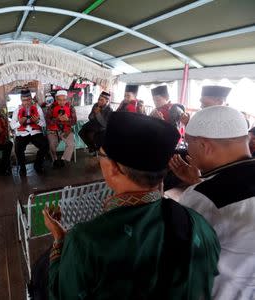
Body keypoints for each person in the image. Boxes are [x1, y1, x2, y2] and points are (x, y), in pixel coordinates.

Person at [35, 112, 220, 300]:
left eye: (101, 155)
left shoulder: (85, 241)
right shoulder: (198, 225)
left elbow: (61, 293)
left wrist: (59, 240)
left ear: (114, 168)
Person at [169, 106, 255, 300]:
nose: (186, 148)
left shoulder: (204, 196)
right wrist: (199, 182)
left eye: (188, 142)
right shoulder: (207, 191)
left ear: (205, 146)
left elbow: (178, 253)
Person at [11, 89, 49, 176]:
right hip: (22, 133)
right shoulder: (17, 110)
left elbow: (44, 124)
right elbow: (12, 126)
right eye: (24, 100)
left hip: (35, 132)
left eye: (28, 100)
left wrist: (38, 121)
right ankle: (22, 168)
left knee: (45, 145)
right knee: (18, 148)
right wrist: (19, 122)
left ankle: (37, 164)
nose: (27, 102)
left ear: (31, 99)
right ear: (21, 100)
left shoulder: (37, 108)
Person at [45, 90, 77, 168]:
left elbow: (74, 122)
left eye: (64, 100)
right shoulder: (51, 107)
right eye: (59, 100)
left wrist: (67, 120)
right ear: (56, 99)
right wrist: (57, 119)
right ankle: (55, 160)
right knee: (52, 144)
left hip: (66, 130)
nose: (62, 102)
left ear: (67, 99)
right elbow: (48, 122)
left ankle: (63, 160)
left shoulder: (71, 107)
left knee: (71, 144)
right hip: (53, 131)